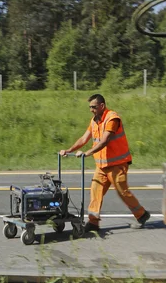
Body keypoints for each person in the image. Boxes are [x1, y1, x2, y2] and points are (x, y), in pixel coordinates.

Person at [60, 94, 150, 232]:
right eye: (90, 107)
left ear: (102, 106)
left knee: (123, 192)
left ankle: (142, 214)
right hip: (102, 166)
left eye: (94, 107)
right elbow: (84, 138)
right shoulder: (94, 121)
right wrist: (69, 150)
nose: (91, 110)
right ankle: (93, 223)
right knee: (95, 192)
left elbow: (105, 140)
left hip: (117, 164)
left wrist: (87, 153)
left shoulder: (112, 118)